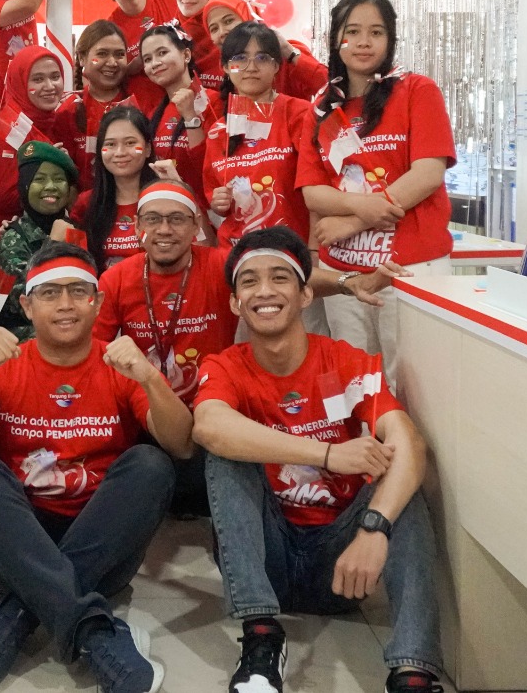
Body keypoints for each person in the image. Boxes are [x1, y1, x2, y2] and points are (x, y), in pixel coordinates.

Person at [0, 240, 192, 693]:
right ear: (27, 307)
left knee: (151, 464)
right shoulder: (2, 365)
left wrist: (150, 376)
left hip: (104, 545)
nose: (65, 304)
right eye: (50, 293)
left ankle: (18, 613)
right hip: (16, 542)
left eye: (78, 291)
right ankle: (96, 631)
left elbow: (182, 445)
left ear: (97, 303)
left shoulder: (119, 363)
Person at [191, 228, 445, 693]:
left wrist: (374, 528)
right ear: (235, 303)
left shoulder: (344, 361)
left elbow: (409, 443)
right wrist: (328, 453)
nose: (264, 291)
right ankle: (262, 639)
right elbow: (208, 426)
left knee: (402, 479)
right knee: (226, 457)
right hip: (266, 558)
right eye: (249, 281)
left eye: (279, 278)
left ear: (306, 294)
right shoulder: (224, 365)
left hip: (341, 563)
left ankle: (412, 672)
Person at [300, 0, 456, 381]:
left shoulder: (417, 90)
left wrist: (355, 221)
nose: (364, 42)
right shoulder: (321, 109)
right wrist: (361, 209)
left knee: (417, 387)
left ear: (390, 39)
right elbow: (313, 191)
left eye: (376, 32)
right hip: (344, 274)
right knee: (355, 381)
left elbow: (427, 174)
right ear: (336, 39)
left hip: (410, 268)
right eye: (352, 32)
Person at [91, 180, 234, 514]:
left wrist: (345, 283)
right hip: (148, 415)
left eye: (177, 219)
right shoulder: (116, 278)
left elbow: (280, 273)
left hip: (211, 411)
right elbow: (93, 352)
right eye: (153, 219)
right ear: (137, 226)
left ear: (196, 226)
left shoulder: (220, 265)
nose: (164, 229)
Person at [203, 21, 317, 248]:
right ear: (225, 67)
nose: (251, 67)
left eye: (262, 58)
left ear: (276, 66)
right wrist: (218, 202)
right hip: (236, 251)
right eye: (240, 58)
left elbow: (317, 188)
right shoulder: (218, 130)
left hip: (290, 249)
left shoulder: (300, 114)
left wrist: (313, 250)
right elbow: (214, 194)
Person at [0, 140, 80, 339]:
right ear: (25, 186)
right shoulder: (13, 239)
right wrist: (53, 245)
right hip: (24, 341)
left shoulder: (76, 229)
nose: (50, 187)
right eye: (39, 179)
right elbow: (28, 305)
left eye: (59, 179)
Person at [0, 44, 69, 243]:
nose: (49, 86)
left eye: (55, 76)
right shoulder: (10, 127)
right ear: (20, 82)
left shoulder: (54, 120)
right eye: (37, 79)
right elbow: (4, 198)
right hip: (15, 241)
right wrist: (46, 163)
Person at [73, 106, 164, 272]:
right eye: (110, 144)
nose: (120, 152)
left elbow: (201, 247)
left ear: (148, 149)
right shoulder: (86, 203)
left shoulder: (165, 198)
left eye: (130, 143)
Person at [202, 0, 329, 101]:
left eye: (228, 21)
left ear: (249, 18)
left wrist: (289, 52)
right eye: (214, 29)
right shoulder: (224, 66)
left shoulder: (288, 53)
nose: (222, 32)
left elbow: (332, 88)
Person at [139, 24, 218, 200]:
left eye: (162, 53)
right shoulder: (153, 115)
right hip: (170, 205)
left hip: (209, 208)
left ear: (186, 55)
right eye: (147, 59)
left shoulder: (214, 102)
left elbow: (212, 167)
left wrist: (190, 118)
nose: (155, 63)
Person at [55, 20, 130, 183]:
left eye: (119, 54)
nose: (112, 62)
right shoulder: (67, 110)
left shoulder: (137, 104)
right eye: (102, 54)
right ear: (82, 58)